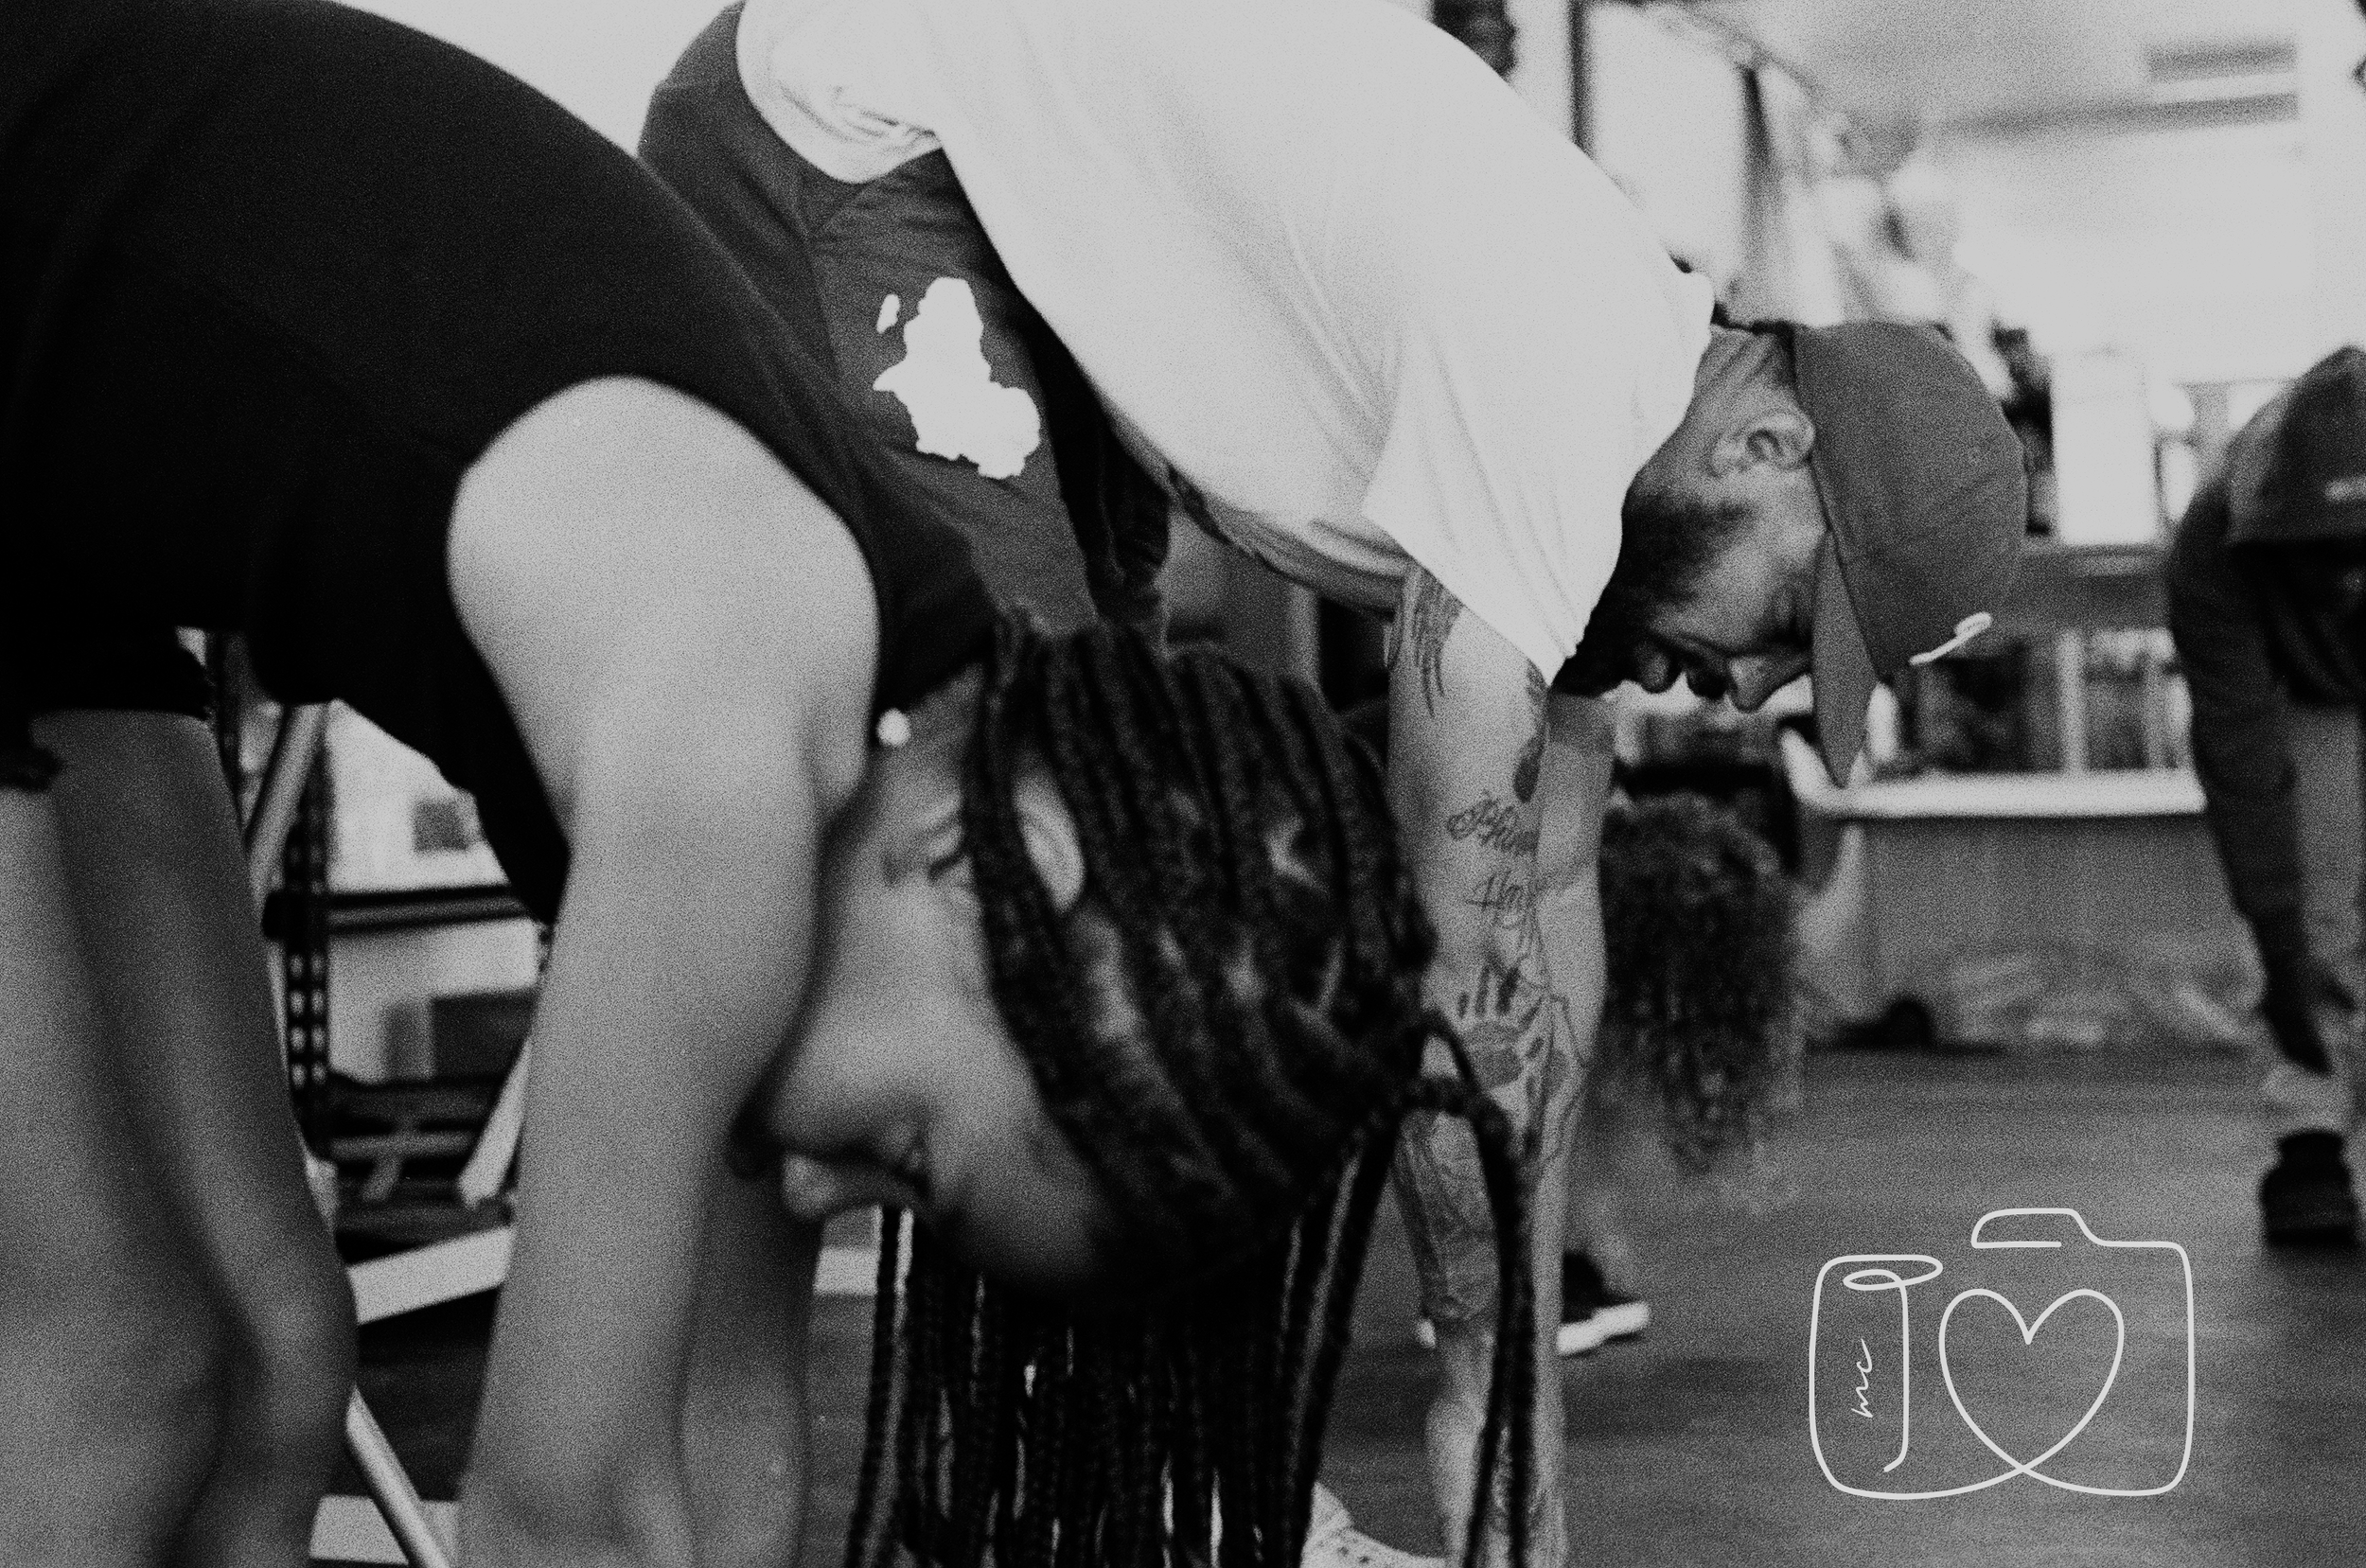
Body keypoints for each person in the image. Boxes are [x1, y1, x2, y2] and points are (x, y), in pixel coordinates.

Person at [0, 3, 1534, 1566]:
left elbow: (715, 1434)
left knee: (273, 1354)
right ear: (1001, 862)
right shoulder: (733, 759)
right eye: (909, 1159)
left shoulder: (881, 761)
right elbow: (559, 1518)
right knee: (113, 1370)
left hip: (63, 517)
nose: (815, 1182)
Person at [638, 0, 2030, 1559]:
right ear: (1764, 445)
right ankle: (1089, 1492)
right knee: (1052, 881)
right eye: (1789, 621)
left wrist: (1518, 1429)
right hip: (846, 128)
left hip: (1010, 225)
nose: (1753, 689)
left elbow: (1551, 892)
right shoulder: (1560, 380)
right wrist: (1480, 1399)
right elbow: (1463, 953)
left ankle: (1141, 1477)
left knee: (1118, 840)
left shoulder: (1627, 471)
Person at [2167, 344, 2366, 1247]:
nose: (2349, 582)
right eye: (2324, 556)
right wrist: (2283, 947)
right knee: (2313, 907)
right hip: (2310, 691)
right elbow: (2242, 760)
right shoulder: (2214, 543)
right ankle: (2310, 1138)